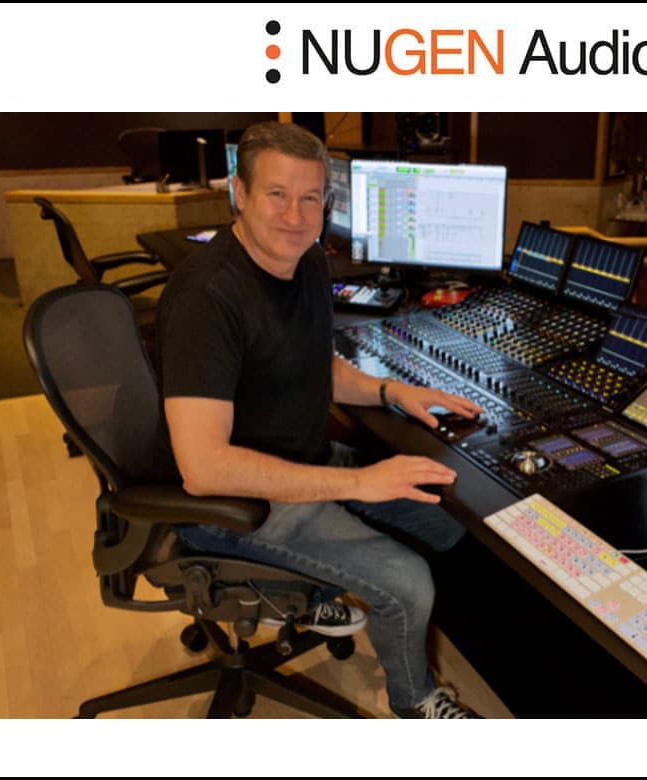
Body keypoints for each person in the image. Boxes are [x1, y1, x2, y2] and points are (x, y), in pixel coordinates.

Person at [156, 121, 484, 719]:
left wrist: (391, 391)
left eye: (310, 198)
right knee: (407, 579)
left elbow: (315, 366)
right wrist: (359, 482)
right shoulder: (207, 297)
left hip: (301, 461)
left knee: (447, 520)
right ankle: (415, 700)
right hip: (232, 506)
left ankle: (324, 589)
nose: (295, 215)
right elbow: (203, 468)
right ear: (239, 193)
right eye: (277, 194)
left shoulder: (306, 261)